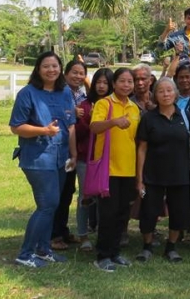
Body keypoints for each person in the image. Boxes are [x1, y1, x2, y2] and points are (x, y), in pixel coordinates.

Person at [136, 77, 190, 263]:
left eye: (169, 90)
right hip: (153, 173)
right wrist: (139, 179)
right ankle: (147, 246)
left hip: (179, 173)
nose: (165, 94)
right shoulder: (148, 118)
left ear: (175, 93)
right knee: (149, 212)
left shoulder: (184, 115)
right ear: (155, 95)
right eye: (161, 91)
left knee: (178, 212)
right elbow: (142, 149)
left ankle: (171, 247)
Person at [9, 51, 77, 268]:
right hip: (38, 158)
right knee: (47, 205)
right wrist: (43, 131)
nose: (51, 70)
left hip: (61, 158)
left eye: (55, 66)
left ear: (60, 69)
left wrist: (74, 154)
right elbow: (16, 127)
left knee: (53, 205)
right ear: (38, 69)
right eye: (46, 66)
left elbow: (71, 125)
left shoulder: (65, 92)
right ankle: (25, 254)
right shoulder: (27, 93)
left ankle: (43, 249)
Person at [90, 68, 140, 273]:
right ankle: (103, 255)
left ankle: (115, 252)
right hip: (108, 169)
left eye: (130, 81)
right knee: (108, 213)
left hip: (128, 168)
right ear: (114, 83)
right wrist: (113, 122)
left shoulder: (134, 108)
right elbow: (94, 127)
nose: (126, 85)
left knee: (122, 213)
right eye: (122, 81)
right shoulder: (104, 103)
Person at [75, 67, 114, 251]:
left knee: (104, 198)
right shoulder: (85, 106)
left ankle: (102, 234)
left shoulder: (115, 104)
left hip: (108, 159)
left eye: (105, 82)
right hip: (86, 158)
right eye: (98, 82)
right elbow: (79, 133)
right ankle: (83, 235)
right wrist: (89, 120)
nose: (101, 86)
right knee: (85, 197)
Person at [51, 59, 87, 251]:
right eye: (74, 72)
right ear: (65, 73)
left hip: (72, 149)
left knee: (68, 190)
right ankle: (54, 235)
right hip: (60, 147)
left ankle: (62, 230)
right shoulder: (59, 91)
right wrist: (72, 111)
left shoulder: (81, 93)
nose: (78, 76)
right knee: (59, 191)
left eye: (82, 73)